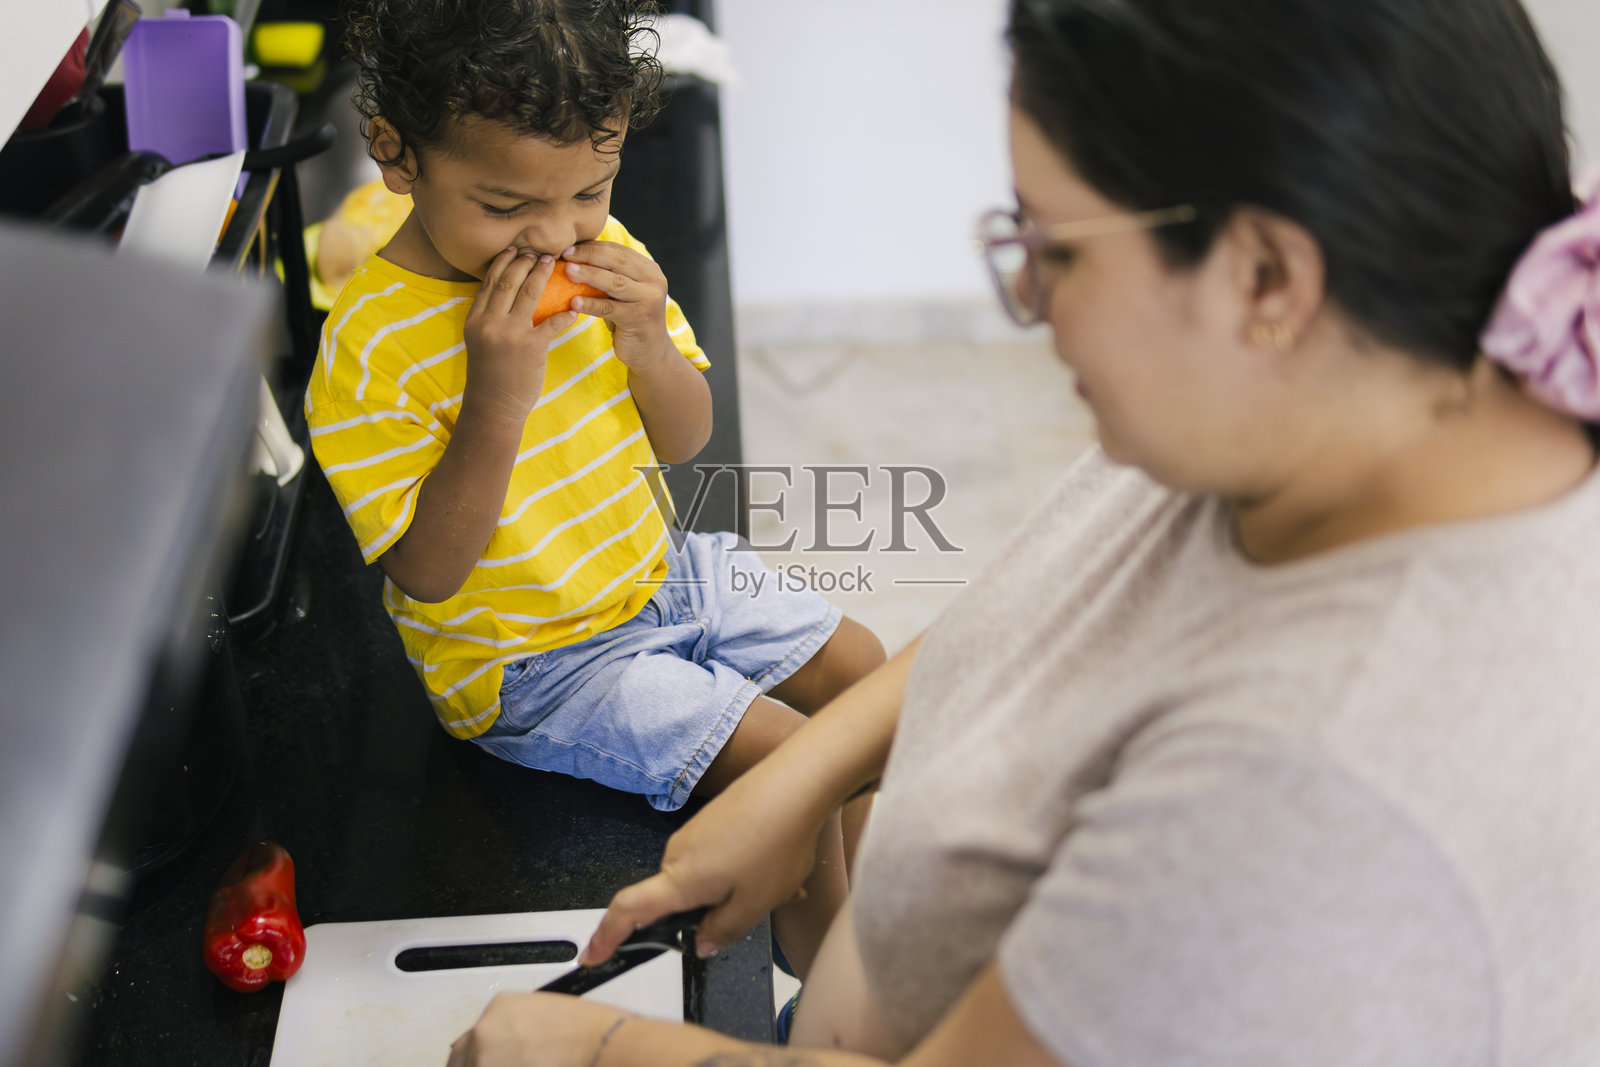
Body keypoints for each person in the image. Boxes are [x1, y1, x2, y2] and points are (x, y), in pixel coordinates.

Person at [445, 0, 1600, 1063]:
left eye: (1059, 249)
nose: (1033, 300)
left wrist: (591, 1049)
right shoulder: (1335, 380)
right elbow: (1057, 612)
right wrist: (804, 775)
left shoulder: (1323, 796)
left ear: (1264, 274)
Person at [304, 0, 885, 983]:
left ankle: (855, 920)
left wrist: (649, 337)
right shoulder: (370, 349)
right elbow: (431, 573)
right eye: (503, 206)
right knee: (800, 765)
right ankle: (830, 983)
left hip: (658, 571)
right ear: (396, 156)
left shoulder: (606, 247)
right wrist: (496, 396)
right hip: (533, 662)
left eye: (589, 190)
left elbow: (685, 436)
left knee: (864, 675)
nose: (553, 234)